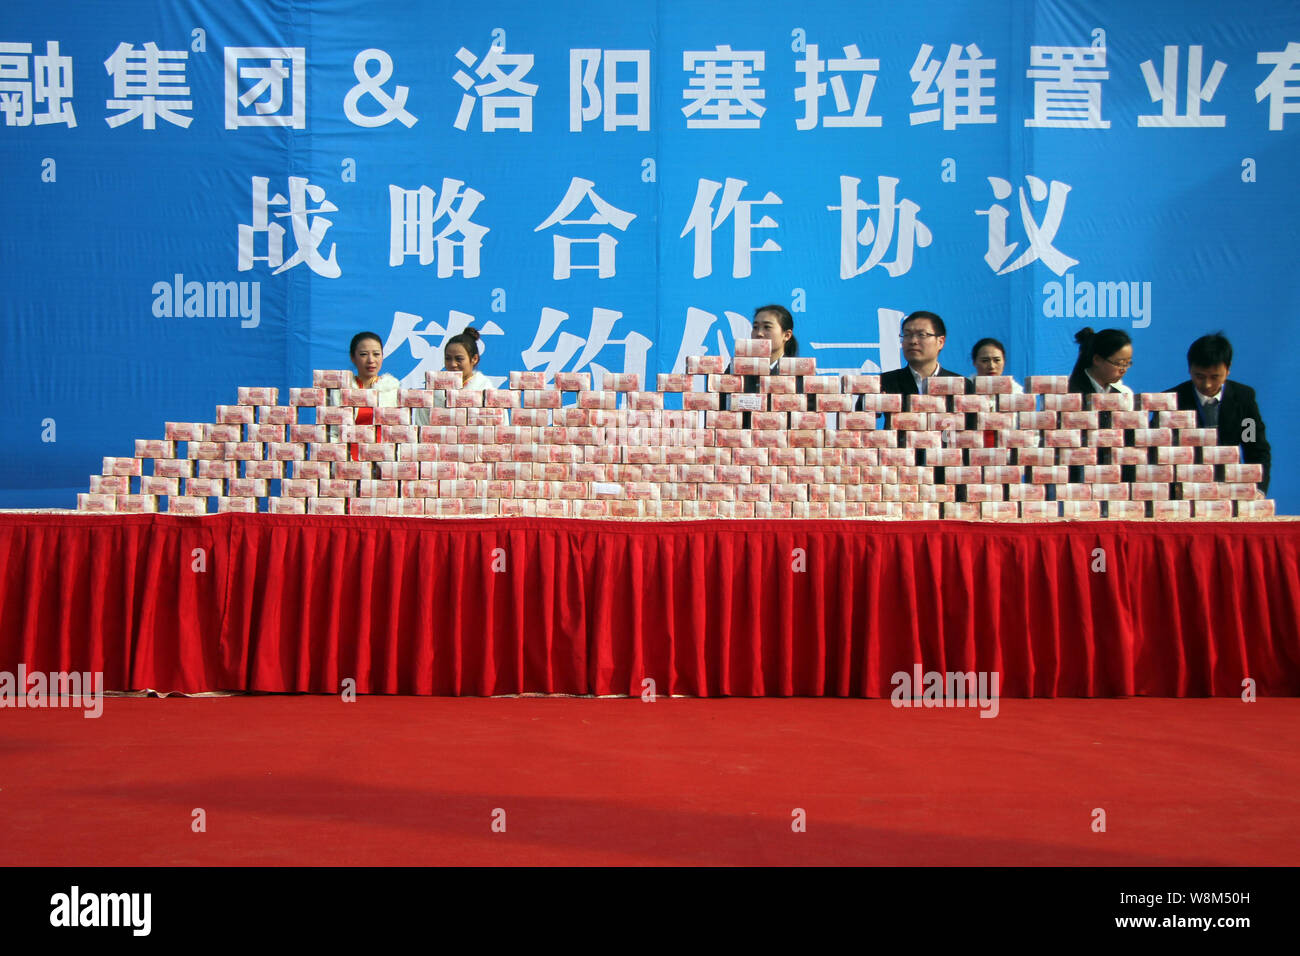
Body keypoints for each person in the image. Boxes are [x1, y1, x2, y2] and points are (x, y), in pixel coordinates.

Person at [1165, 332, 1271, 493]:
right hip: (1185, 490)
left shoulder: (1243, 399)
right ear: (1189, 369)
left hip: (1231, 486)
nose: (1207, 384)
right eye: (1199, 376)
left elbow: (1255, 448)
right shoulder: (1171, 400)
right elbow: (1160, 453)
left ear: (1228, 370)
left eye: (1215, 377)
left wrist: (1258, 490)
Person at [328, 331, 401, 459]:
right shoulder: (340, 391)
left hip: (384, 464)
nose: (371, 360)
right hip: (348, 463)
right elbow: (333, 433)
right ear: (352, 357)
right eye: (363, 354)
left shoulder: (393, 391)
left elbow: (400, 433)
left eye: (376, 354)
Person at [727, 304, 803, 420]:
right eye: (755, 327)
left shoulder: (798, 373)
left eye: (767, 327)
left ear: (786, 335)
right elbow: (722, 407)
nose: (759, 333)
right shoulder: (737, 368)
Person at [877, 310, 971, 399]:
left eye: (921, 335)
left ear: (940, 342)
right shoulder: (884, 382)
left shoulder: (961, 385)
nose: (913, 341)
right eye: (907, 335)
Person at [413, 327, 493, 425]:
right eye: (448, 358)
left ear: (474, 359)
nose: (453, 364)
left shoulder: (486, 390)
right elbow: (422, 426)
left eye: (459, 359)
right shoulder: (433, 393)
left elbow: (498, 430)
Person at [1067, 327, 1133, 395]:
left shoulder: (1121, 394)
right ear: (1097, 359)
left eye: (1127, 363)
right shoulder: (1071, 393)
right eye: (1119, 363)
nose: (1124, 370)